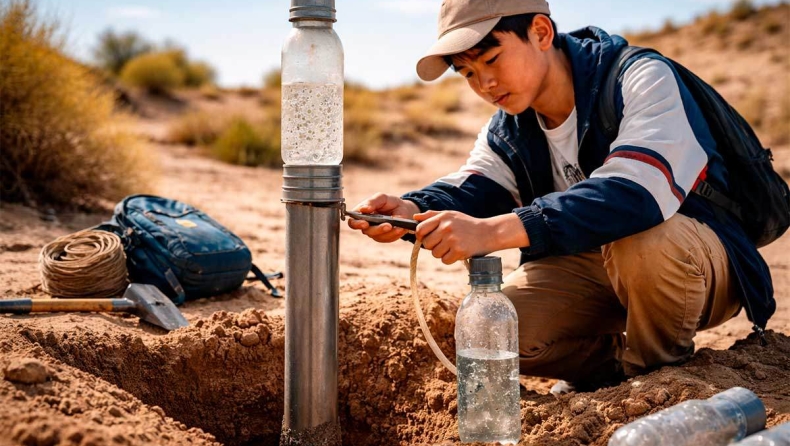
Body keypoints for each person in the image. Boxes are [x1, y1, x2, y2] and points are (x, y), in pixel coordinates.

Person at [347, 0, 774, 392]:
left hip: (700, 266)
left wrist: (495, 232)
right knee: (492, 329)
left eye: (491, 59)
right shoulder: (509, 128)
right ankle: (614, 375)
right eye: (469, 73)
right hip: (602, 268)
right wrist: (412, 209)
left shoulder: (640, 76)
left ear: (540, 32)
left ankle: (657, 381)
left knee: (640, 236)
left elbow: (635, 192)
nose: (486, 83)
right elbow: (477, 185)